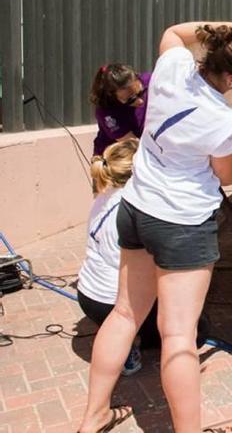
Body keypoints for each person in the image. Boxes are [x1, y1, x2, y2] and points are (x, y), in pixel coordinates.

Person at [78, 20, 232, 433]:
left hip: (137, 208)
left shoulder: (172, 66)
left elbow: (175, 32)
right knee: (178, 337)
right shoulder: (222, 120)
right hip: (181, 224)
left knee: (125, 314)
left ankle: (92, 418)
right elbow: (230, 174)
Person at [78, 139, 158, 377]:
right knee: (195, 330)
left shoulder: (105, 194)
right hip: (109, 302)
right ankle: (127, 347)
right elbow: (130, 270)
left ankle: (119, 335)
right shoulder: (128, 209)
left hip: (88, 294)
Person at [89, 64, 151, 157]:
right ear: (113, 97)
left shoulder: (150, 81)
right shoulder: (106, 112)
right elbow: (134, 144)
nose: (140, 101)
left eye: (141, 93)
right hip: (118, 160)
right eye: (131, 99)